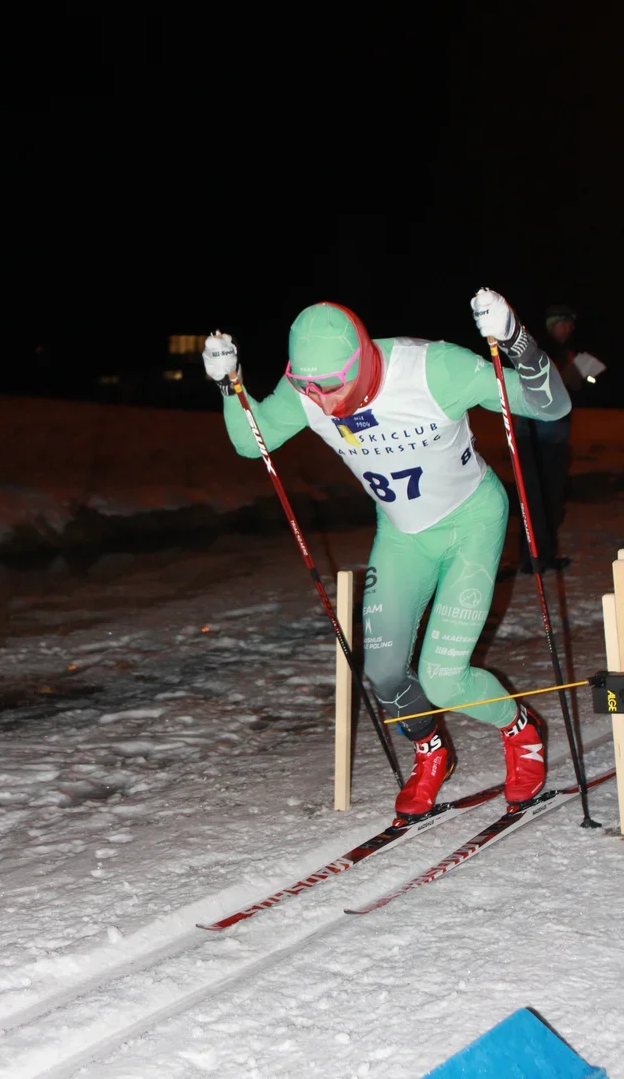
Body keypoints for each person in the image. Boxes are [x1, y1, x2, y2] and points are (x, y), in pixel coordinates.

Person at [202, 291, 571, 822]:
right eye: (308, 387)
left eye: (332, 386)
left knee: (443, 676)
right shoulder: (307, 388)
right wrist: (228, 386)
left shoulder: (434, 369)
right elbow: (251, 442)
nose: (323, 403)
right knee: (384, 672)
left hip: (471, 522)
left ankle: (519, 731)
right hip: (402, 535)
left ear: (363, 359)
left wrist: (514, 339)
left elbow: (551, 405)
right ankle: (431, 752)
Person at [514, 304, 582, 573]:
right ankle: (530, 559)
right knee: (533, 500)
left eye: (571, 326)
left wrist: (581, 375)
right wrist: (567, 375)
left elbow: (571, 390)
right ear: (553, 324)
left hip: (557, 436)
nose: (569, 330)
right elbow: (537, 385)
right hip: (533, 436)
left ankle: (547, 555)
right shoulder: (536, 350)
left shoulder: (566, 353)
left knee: (553, 498)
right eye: (565, 324)